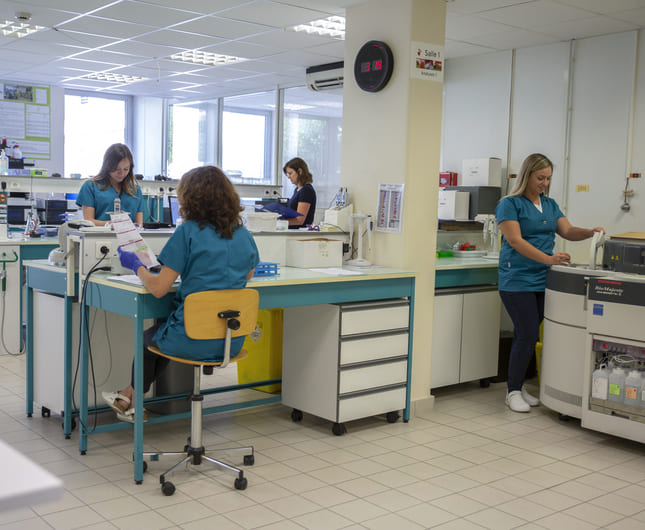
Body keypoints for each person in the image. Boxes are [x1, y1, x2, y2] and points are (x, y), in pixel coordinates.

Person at [102, 166, 259, 422]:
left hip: (193, 338)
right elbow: (249, 274)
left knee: (150, 340)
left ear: (191, 199)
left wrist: (137, 266)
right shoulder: (242, 234)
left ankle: (131, 398)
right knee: (165, 328)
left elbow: (159, 288)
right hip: (231, 340)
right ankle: (128, 395)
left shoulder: (187, 232)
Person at [495, 153, 603, 413]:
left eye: (548, 178)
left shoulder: (550, 204)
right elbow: (516, 241)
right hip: (517, 279)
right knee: (528, 332)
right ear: (527, 175)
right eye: (540, 177)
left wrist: (590, 232)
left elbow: (567, 231)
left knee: (529, 334)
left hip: (543, 278)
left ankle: (519, 386)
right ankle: (512, 392)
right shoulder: (510, 204)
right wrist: (549, 259)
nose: (544, 182)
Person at [76, 143, 144, 226]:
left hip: (128, 238)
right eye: (116, 169)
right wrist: (111, 224)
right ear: (107, 166)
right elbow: (89, 222)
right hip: (99, 238)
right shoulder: (90, 187)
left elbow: (139, 225)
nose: (121, 173)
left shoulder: (135, 190)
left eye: (126, 169)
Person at [283, 157, 316, 228]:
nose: (289, 177)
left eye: (290, 173)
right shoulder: (297, 190)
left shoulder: (306, 190)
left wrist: (279, 222)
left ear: (299, 171)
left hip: (300, 233)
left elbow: (299, 220)